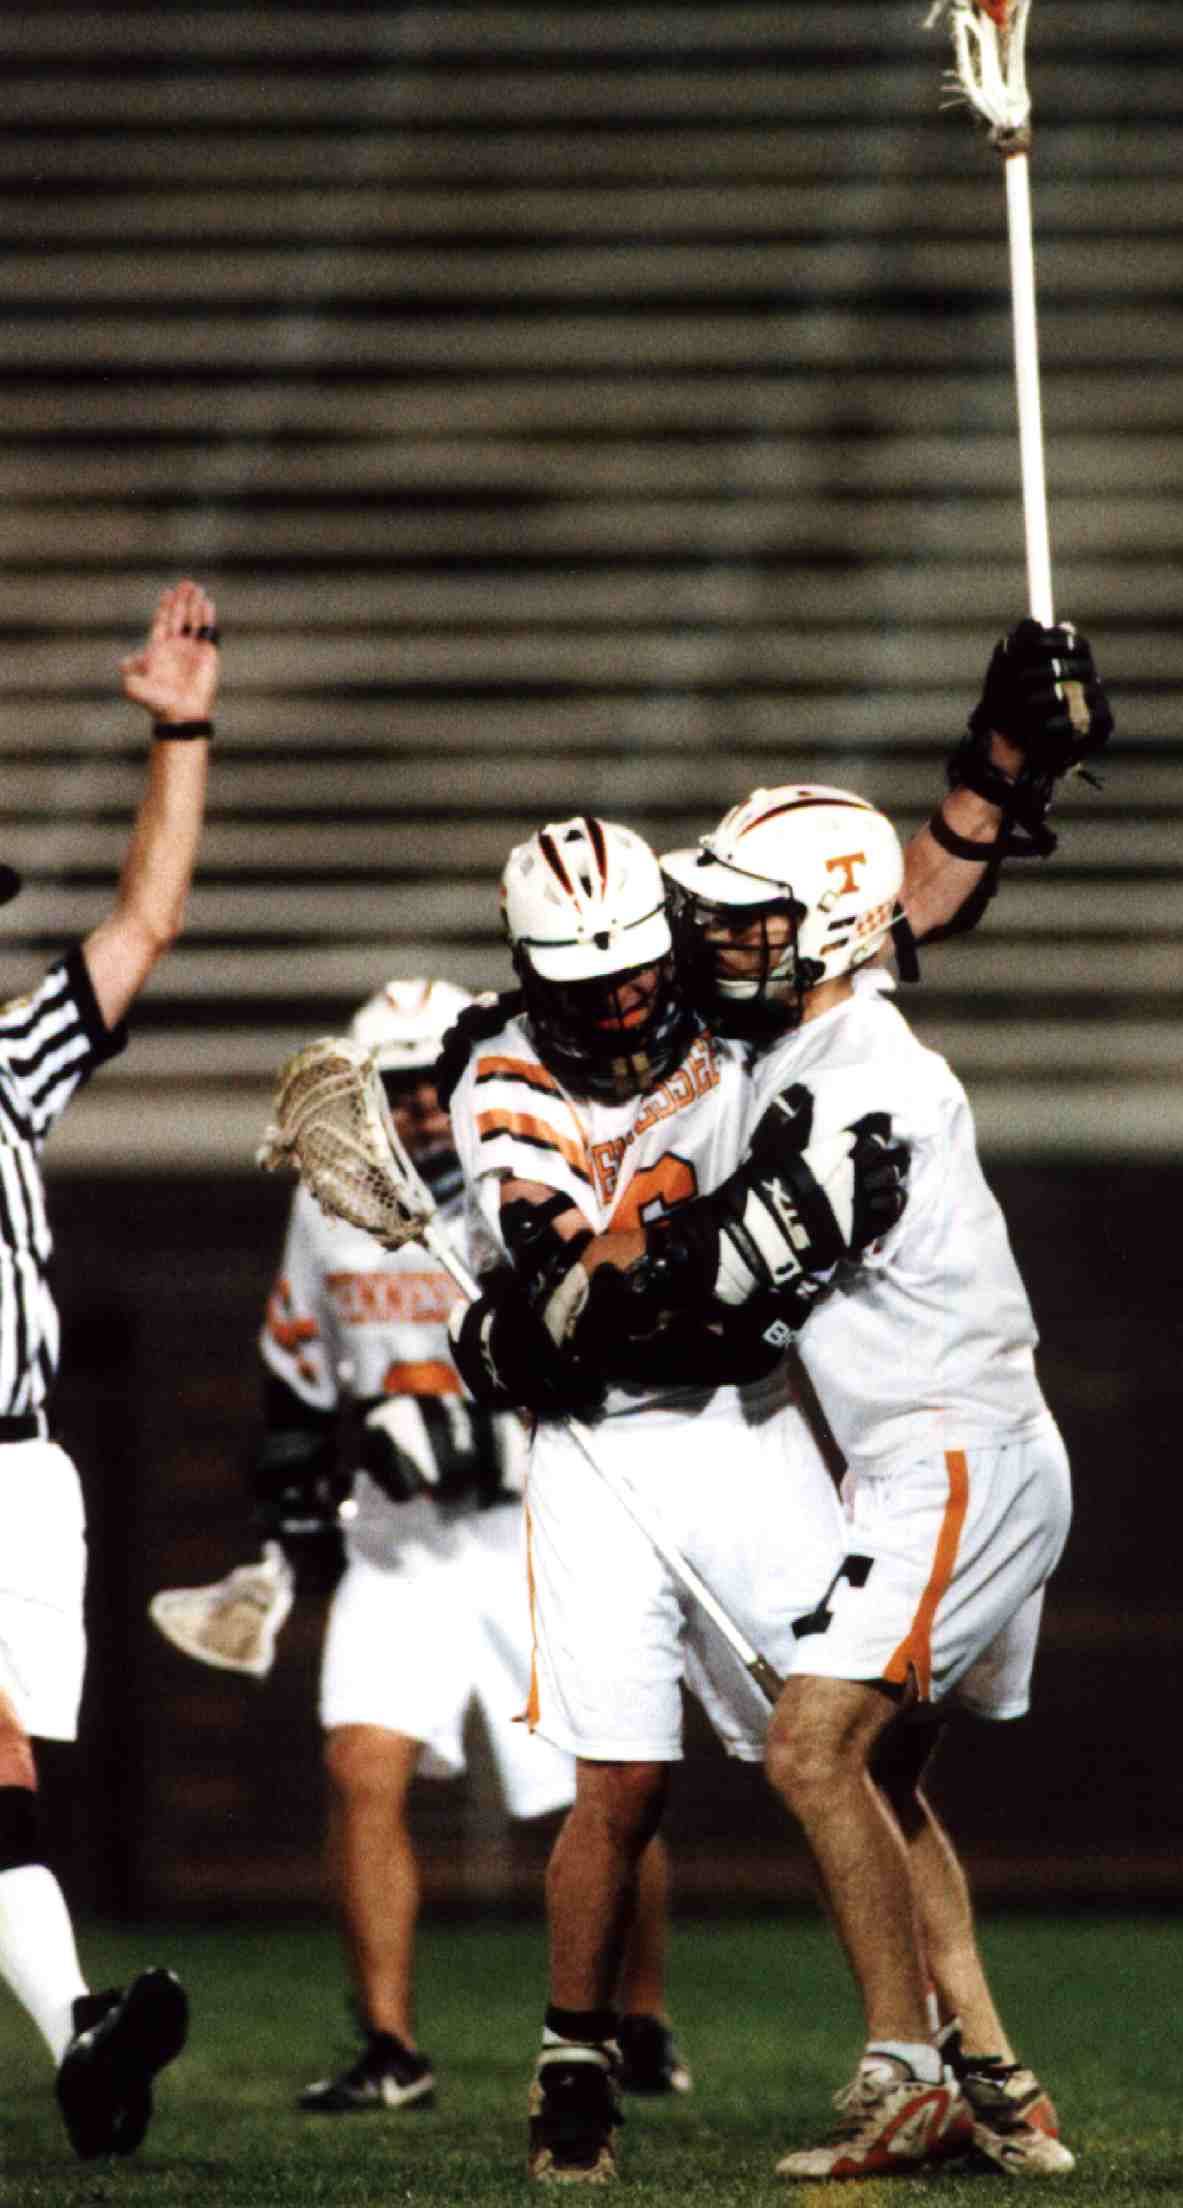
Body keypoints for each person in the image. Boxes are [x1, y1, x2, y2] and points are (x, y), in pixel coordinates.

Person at [441, 618, 1111, 2183]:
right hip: (638, 1453)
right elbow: (564, 1247)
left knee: (837, 1756)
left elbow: (876, 930)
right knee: (664, 1774)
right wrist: (540, 1309)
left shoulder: (784, 1033)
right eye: (588, 982)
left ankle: (936, 2069)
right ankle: (611, 2063)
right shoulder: (518, 1065)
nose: (630, 1005)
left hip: (786, 1425)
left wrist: (990, 777)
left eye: (644, 966)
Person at [252, 976, 690, 2114]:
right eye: (394, 1089)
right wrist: (295, 1497)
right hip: (399, 1541)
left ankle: (640, 2019)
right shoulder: (327, 1206)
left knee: (605, 1781)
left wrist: (458, 1438)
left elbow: (608, 1370)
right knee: (360, 1770)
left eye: (432, 1086)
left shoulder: (533, 1183)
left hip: (538, 1523)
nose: (417, 1110)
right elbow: (298, 1371)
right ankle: (390, 2045)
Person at [0, 578, 217, 2158]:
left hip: (24, 1465)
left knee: (14, 1771)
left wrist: (182, 737)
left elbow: (143, 926)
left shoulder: (5, 1068)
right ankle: (79, 2029)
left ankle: (83, 2054)